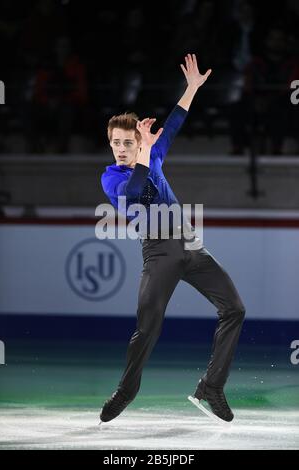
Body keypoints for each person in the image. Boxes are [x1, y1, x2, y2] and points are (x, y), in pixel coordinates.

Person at [100, 54, 246, 423]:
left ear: (138, 142)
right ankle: (126, 390)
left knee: (234, 309)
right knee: (148, 327)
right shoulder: (111, 178)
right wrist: (146, 154)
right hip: (159, 252)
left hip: (190, 244)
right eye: (115, 142)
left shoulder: (153, 154)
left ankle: (211, 386)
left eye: (127, 142)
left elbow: (174, 122)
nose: (120, 148)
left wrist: (192, 88)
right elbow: (136, 191)